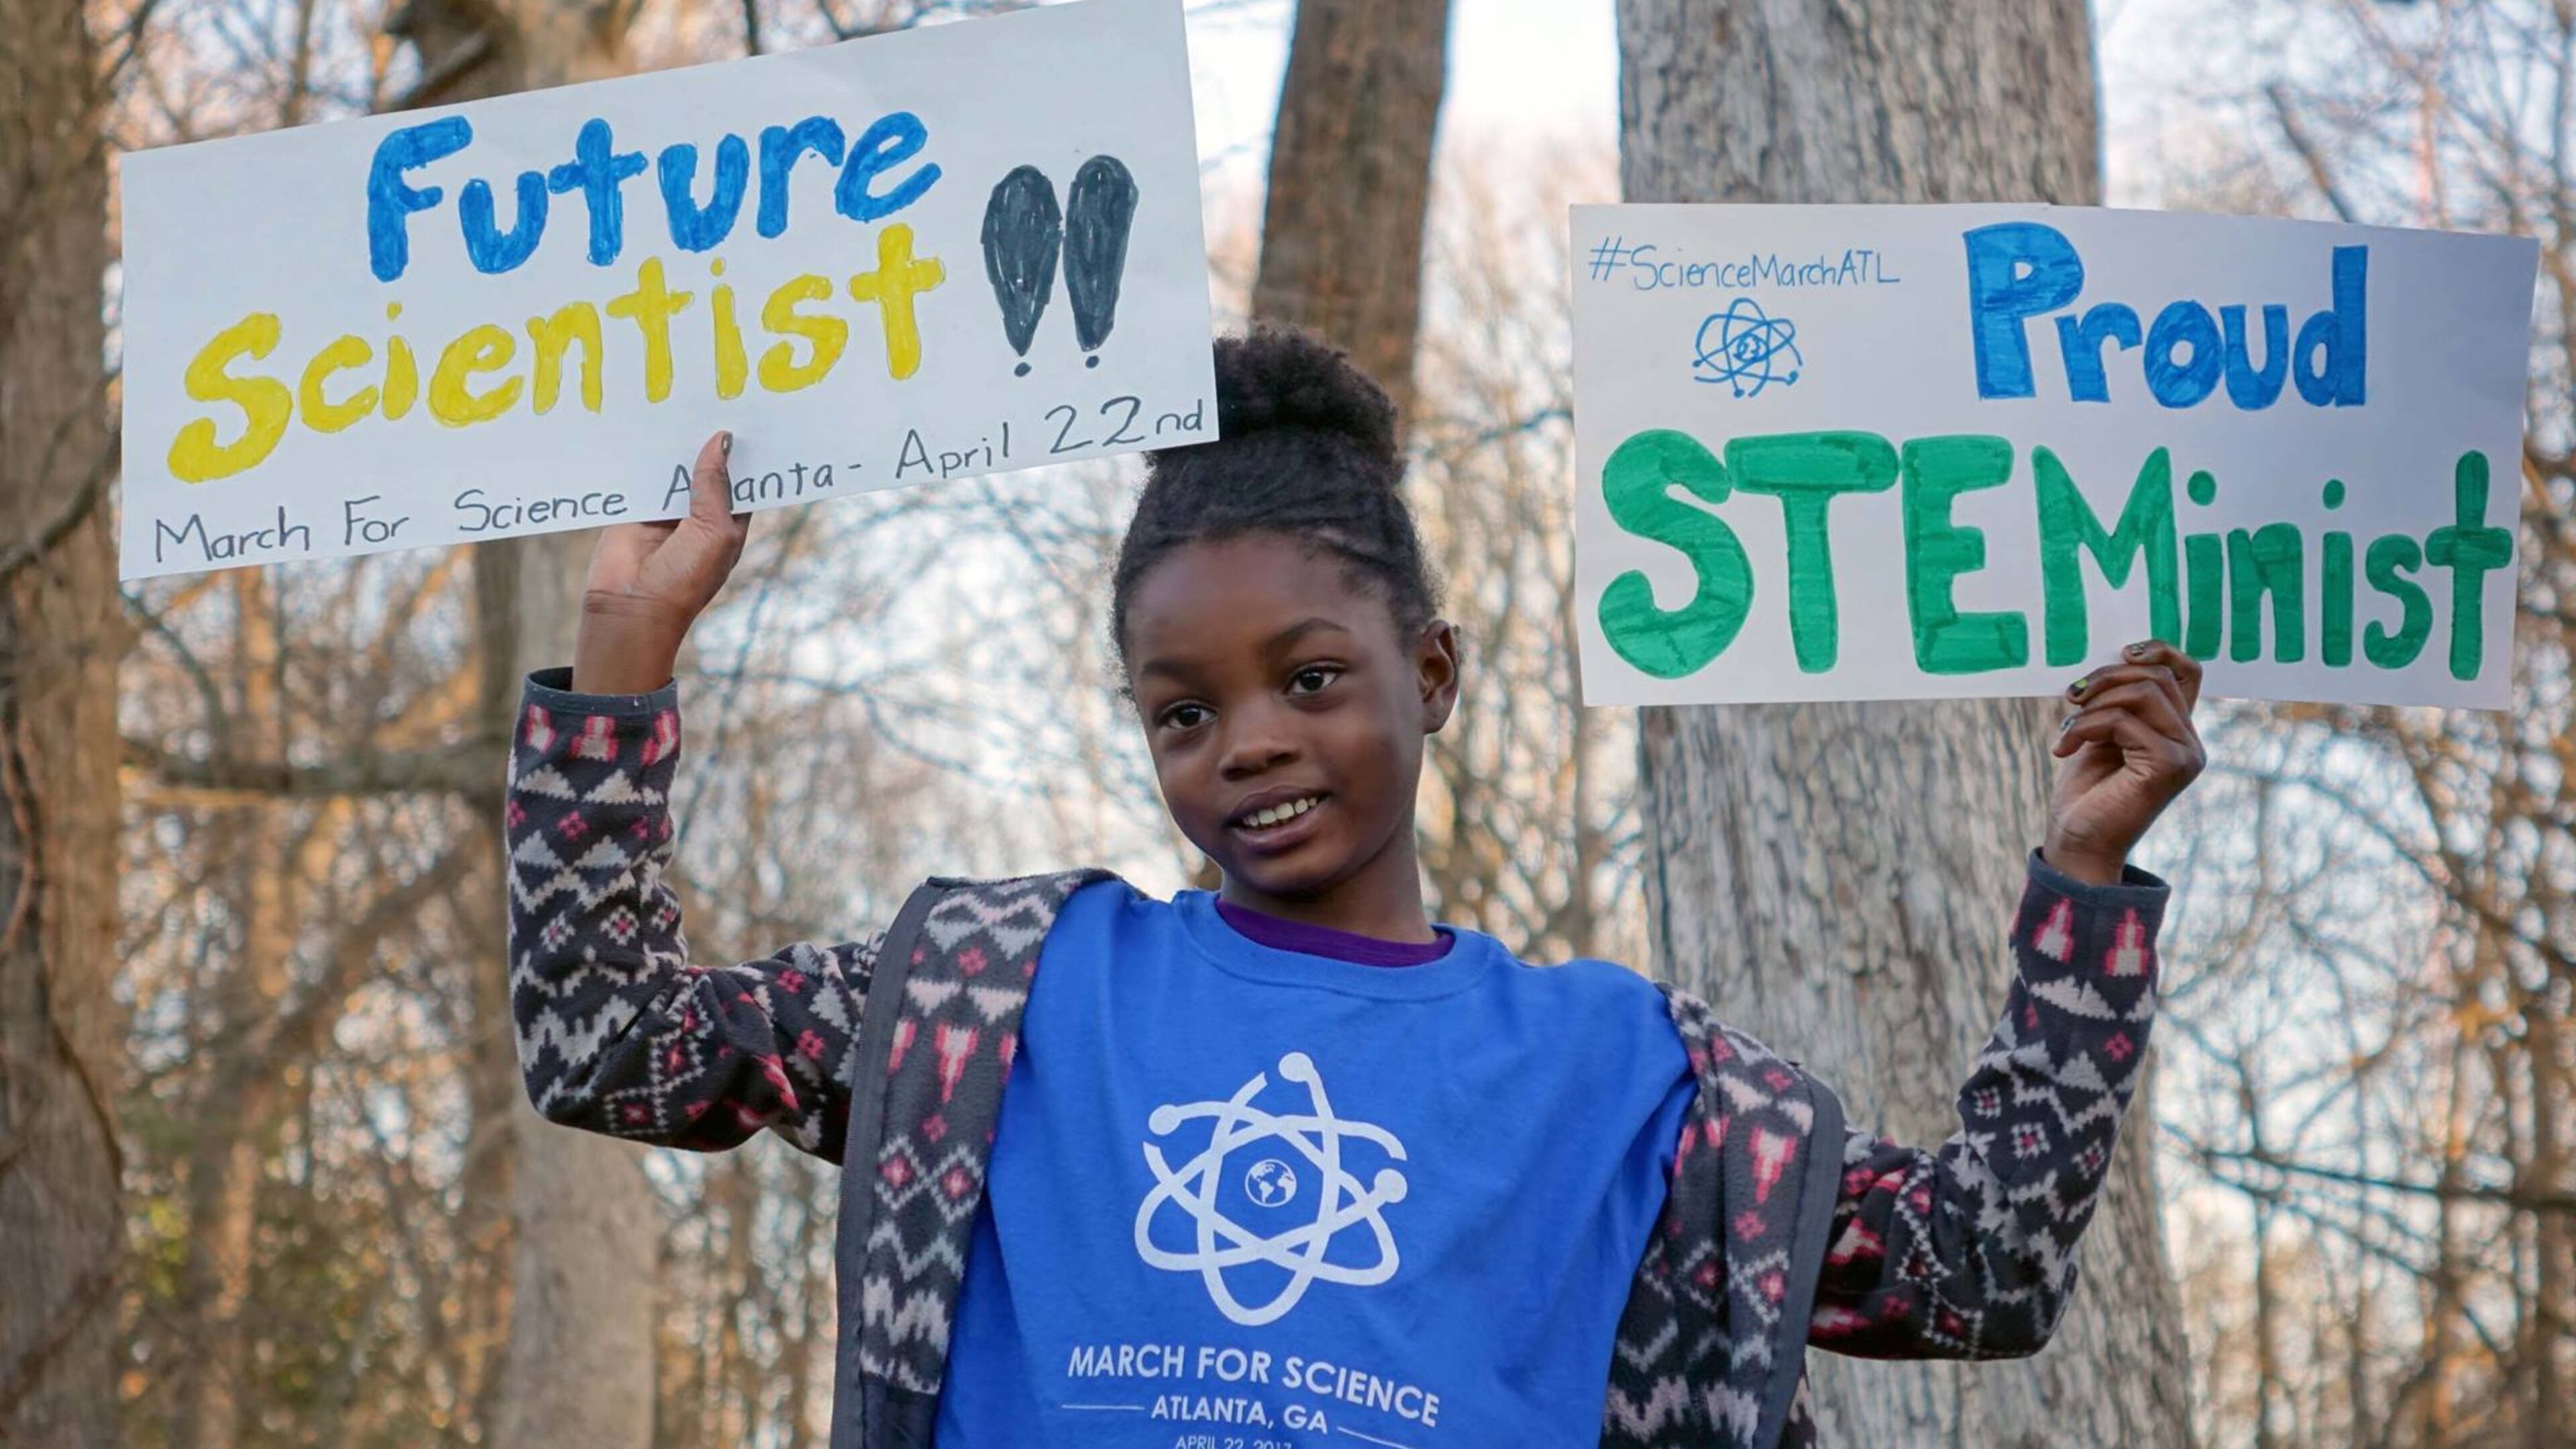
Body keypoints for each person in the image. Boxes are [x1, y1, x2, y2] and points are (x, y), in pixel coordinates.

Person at [503, 328, 2202, 1449]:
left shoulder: (1623, 1079)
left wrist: (2084, 887)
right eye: (1185, 709)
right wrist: (620, 661)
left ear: (1434, 672)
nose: (1247, 742)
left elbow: (1974, 1270)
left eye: (1309, 679)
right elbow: (610, 1047)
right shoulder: (989, 998)